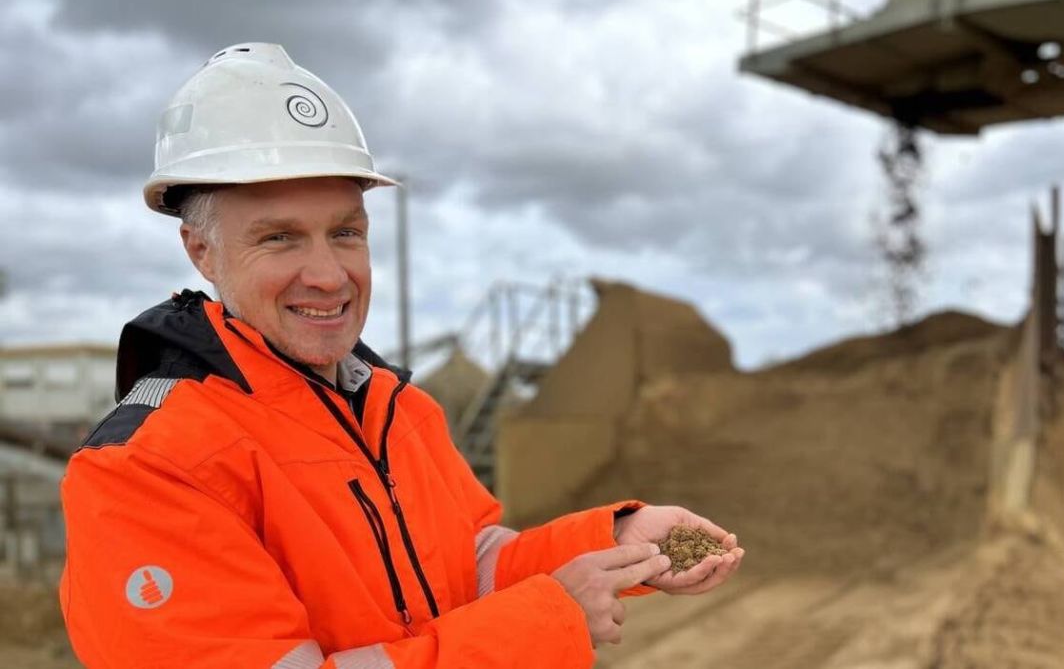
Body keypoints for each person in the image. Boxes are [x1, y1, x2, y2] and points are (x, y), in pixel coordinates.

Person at [58, 43, 744, 668]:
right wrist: (547, 619)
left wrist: (617, 541)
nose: (328, 275)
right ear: (201, 251)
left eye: (345, 232)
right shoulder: (149, 467)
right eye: (279, 238)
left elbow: (472, 565)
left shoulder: (401, 411)